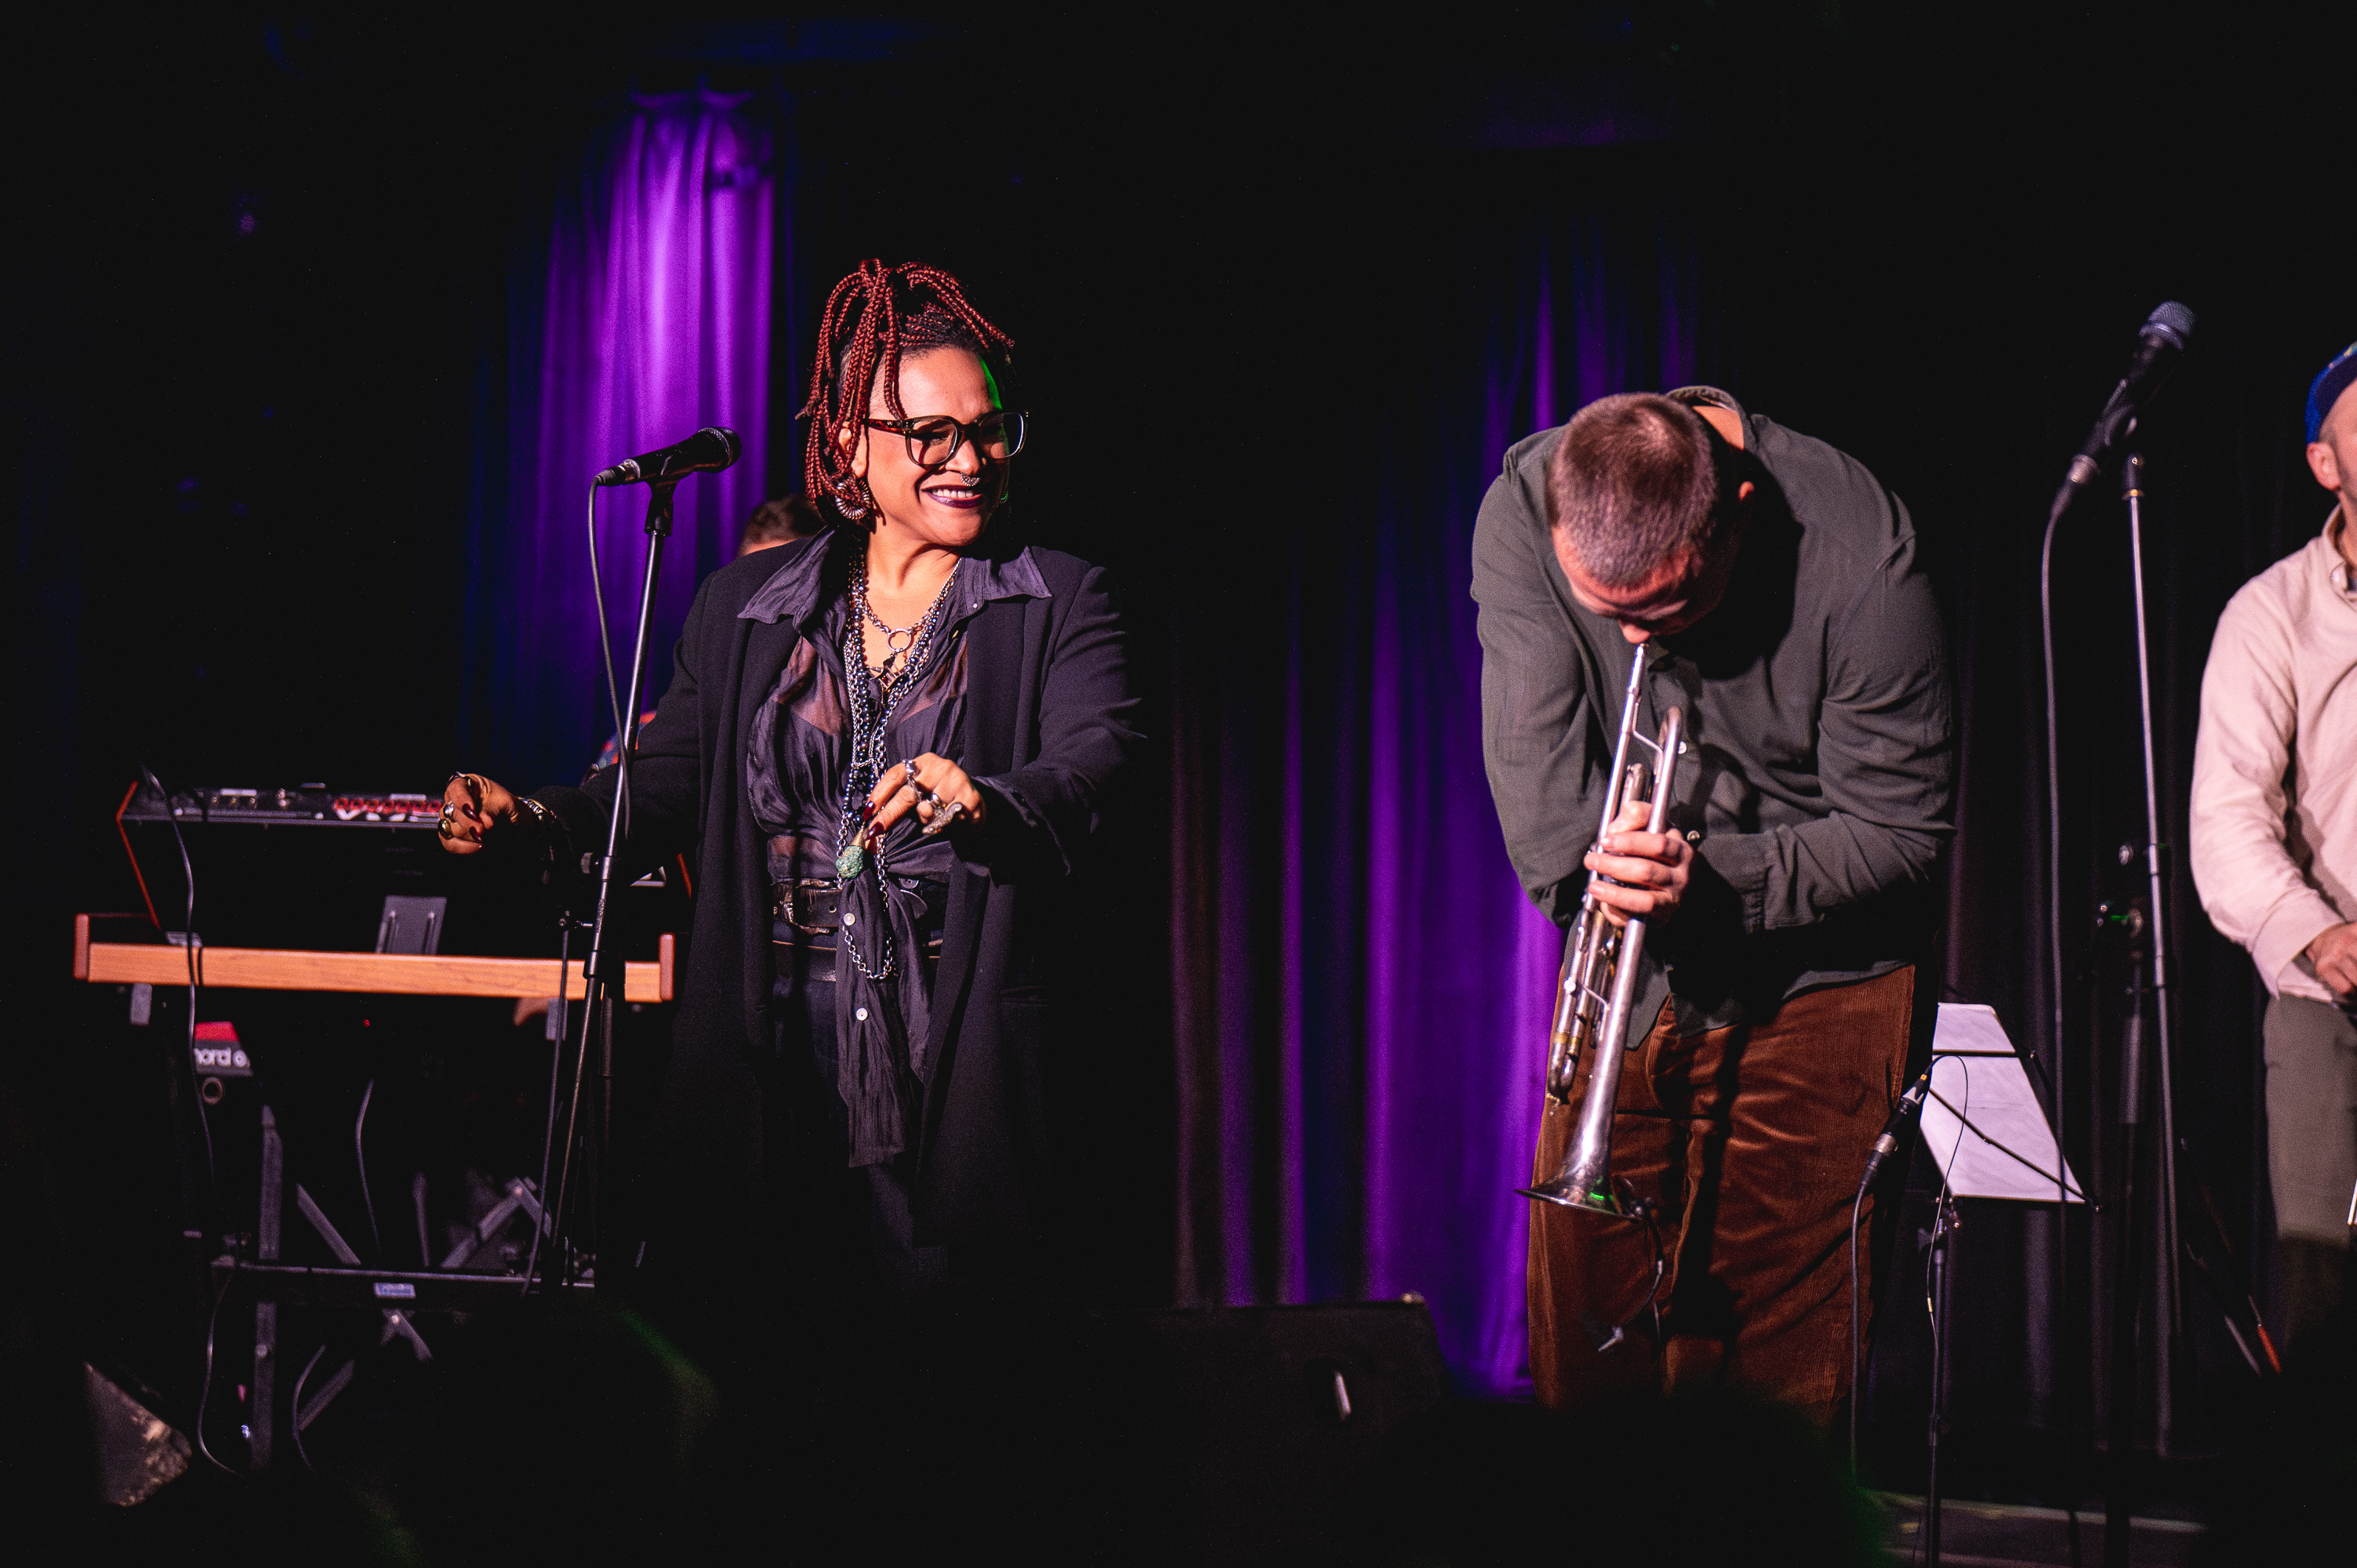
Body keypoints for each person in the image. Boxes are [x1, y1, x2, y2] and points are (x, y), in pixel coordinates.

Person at [438, 260, 1139, 1370]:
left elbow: (1096, 764)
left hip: (950, 1047)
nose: (969, 460)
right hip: (770, 1045)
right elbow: (668, 779)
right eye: (933, 434)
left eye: (991, 431)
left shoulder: (1059, 596)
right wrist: (535, 817)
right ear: (851, 445)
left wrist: (986, 801)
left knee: (936, 1378)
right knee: (766, 1372)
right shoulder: (748, 607)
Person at [1473, 388, 1954, 1423]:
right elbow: (1538, 780)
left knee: (1758, 1405)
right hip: (1627, 964)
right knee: (1583, 1379)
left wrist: (1711, 881)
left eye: (1665, 610)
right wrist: (1604, 890)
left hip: (1819, 983)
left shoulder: (1865, 562)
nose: (1635, 641)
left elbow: (1902, 837)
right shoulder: (1521, 508)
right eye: (1608, 612)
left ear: (1736, 513)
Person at [2190, 340, 2357, 1362]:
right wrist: (2320, 936)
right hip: (2333, 1007)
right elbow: (2226, 819)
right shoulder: (2271, 614)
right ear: (2324, 464)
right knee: (2328, 1304)